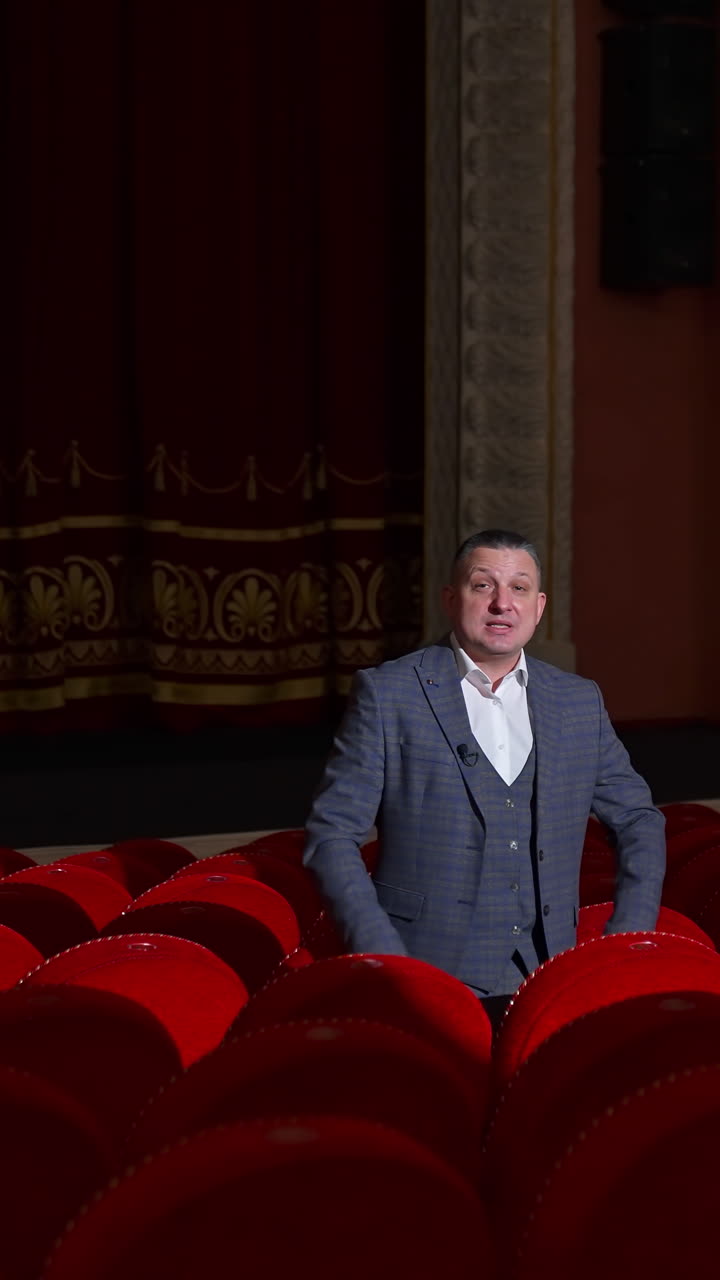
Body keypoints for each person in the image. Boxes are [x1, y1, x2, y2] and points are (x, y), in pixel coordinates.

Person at [303, 529, 666, 1028]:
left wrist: (626, 936)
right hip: (423, 977)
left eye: (519, 588)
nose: (502, 603)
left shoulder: (578, 701)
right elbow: (332, 835)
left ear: (538, 608)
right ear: (451, 599)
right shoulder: (388, 694)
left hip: (549, 978)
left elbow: (639, 820)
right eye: (483, 586)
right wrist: (382, 951)